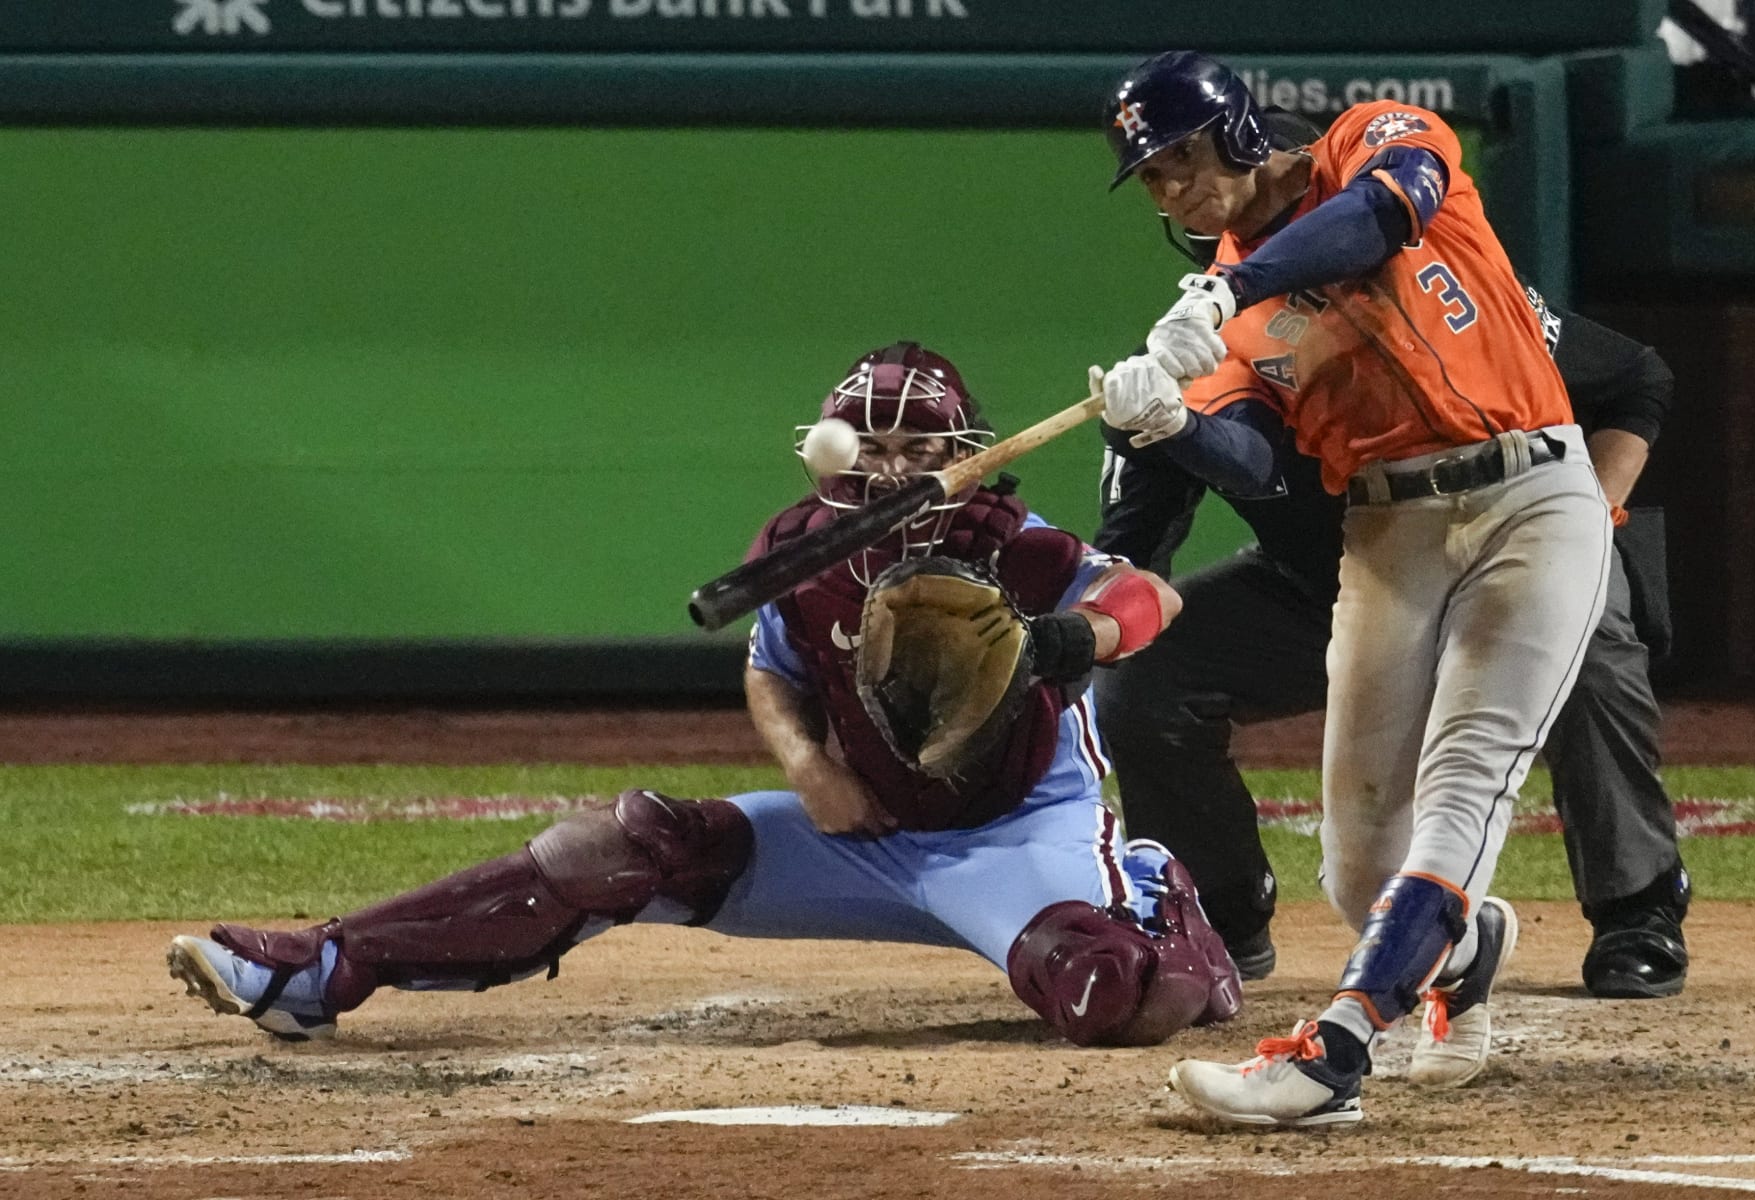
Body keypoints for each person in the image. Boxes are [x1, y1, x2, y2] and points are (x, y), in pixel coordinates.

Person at [165, 341, 1242, 1050]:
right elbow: (769, 669)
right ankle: (322, 971)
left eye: (919, 448)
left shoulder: (1004, 541)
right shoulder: (798, 548)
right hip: (864, 835)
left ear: (958, 458)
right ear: (833, 453)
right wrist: (810, 769)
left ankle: (1155, 898)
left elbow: (1151, 597)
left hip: (1012, 836)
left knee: (1114, 999)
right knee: (618, 848)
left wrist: (1071, 636)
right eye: (873, 444)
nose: (891, 466)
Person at [1091, 51, 1615, 1125]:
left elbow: (1381, 218)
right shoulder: (1223, 317)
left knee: (1464, 788)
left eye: (1183, 154)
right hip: (1388, 531)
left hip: (1531, 494)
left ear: (1240, 130)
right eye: (1150, 173)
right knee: (1359, 861)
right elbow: (1256, 463)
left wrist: (1233, 283)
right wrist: (1173, 423)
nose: (1173, 185)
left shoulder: (1372, 139)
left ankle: (1331, 1055)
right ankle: (1466, 952)